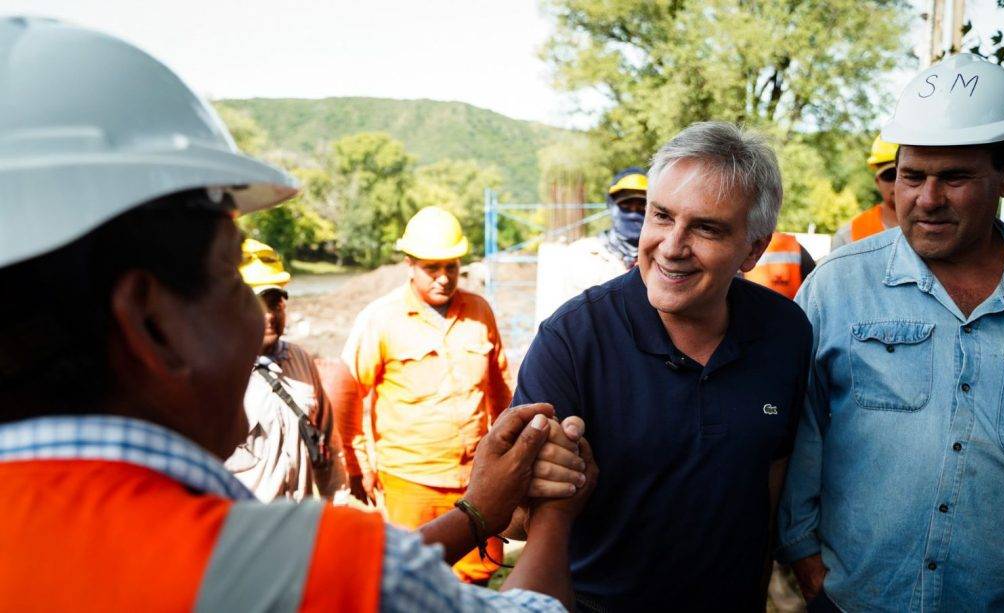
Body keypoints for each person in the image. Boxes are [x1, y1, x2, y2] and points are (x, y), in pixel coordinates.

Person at [0, 17, 596, 610]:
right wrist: (555, 514)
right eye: (235, 278)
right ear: (152, 322)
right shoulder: (315, 568)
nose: (262, 317)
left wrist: (474, 512)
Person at [514, 122, 813, 611]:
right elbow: (513, 518)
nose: (672, 246)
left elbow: (772, 474)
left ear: (753, 249)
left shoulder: (785, 332)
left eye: (706, 228)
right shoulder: (572, 340)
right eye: (661, 216)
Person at [777, 53, 1004, 612]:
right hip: (853, 600)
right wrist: (804, 558)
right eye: (912, 177)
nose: (927, 200)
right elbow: (800, 429)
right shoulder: (837, 287)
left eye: (954, 178)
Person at [337, 205, 519, 584]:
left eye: (450, 267)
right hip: (409, 481)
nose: (443, 278)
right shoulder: (380, 318)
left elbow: (500, 391)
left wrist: (505, 456)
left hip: (475, 480)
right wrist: (358, 467)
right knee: (410, 584)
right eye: (431, 268)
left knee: (477, 579)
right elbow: (350, 393)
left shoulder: (479, 312)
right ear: (410, 265)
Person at [224, 239, 344, 501]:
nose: (268, 315)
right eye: (257, 304)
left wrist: (338, 500)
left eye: (275, 303)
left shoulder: (299, 359)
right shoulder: (217, 373)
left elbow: (329, 444)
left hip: (298, 522)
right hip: (246, 530)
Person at [535, 168, 647, 322]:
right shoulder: (581, 255)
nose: (634, 213)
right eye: (626, 205)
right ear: (611, 206)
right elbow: (559, 319)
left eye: (642, 205)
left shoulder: (663, 258)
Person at [830, 136, 900, 251]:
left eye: (911, 176)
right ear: (877, 182)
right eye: (890, 175)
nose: (898, 183)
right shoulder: (848, 236)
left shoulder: (937, 231)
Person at [745, 231, 816, 299]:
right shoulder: (795, 246)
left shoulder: (748, 245)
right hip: (790, 308)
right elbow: (813, 283)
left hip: (752, 305)